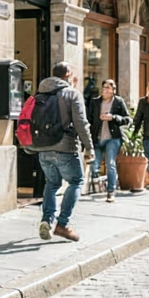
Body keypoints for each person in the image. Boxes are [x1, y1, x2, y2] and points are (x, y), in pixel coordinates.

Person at [30, 62, 94, 242]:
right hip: (65, 147)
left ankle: (47, 219)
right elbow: (81, 123)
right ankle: (62, 224)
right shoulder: (72, 94)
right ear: (67, 74)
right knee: (76, 181)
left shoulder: (40, 93)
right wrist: (89, 147)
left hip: (43, 147)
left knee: (52, 183)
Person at [87, 79, 131, 203]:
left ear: (113, 91)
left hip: (113, 138)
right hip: (97, 138)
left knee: (110, 163)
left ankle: (111, 192)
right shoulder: (95, 102)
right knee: (94, 165)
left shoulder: (118, 102)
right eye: (104, 87)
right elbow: (88, 119)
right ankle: (98, 186)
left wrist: (114, 117)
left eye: (108, 88)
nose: (105, 90)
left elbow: (128, 119)